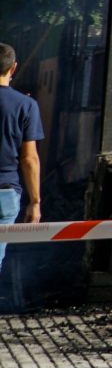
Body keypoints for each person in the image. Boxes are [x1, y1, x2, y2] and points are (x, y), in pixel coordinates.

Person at [0, 45, 41, 298]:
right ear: (13, 68)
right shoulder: (26, 105)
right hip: (4, 194)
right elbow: (29, 159)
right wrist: (35, 202)